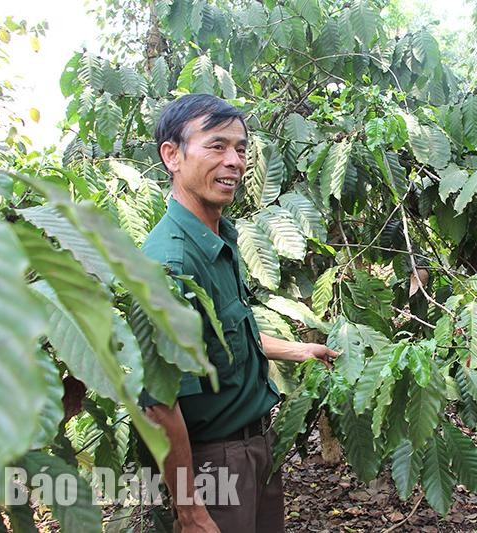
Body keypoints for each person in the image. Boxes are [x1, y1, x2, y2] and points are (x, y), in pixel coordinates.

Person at [141, 94, 338, 533]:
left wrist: (299, 350)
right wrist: (190, 510)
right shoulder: (170, 264)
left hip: (254, 447)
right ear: (172, 155)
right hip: (211, 463)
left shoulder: (219, 238)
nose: (234, 161)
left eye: (241, 148)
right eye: (216, 146)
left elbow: (225, 338)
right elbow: (159, 402)